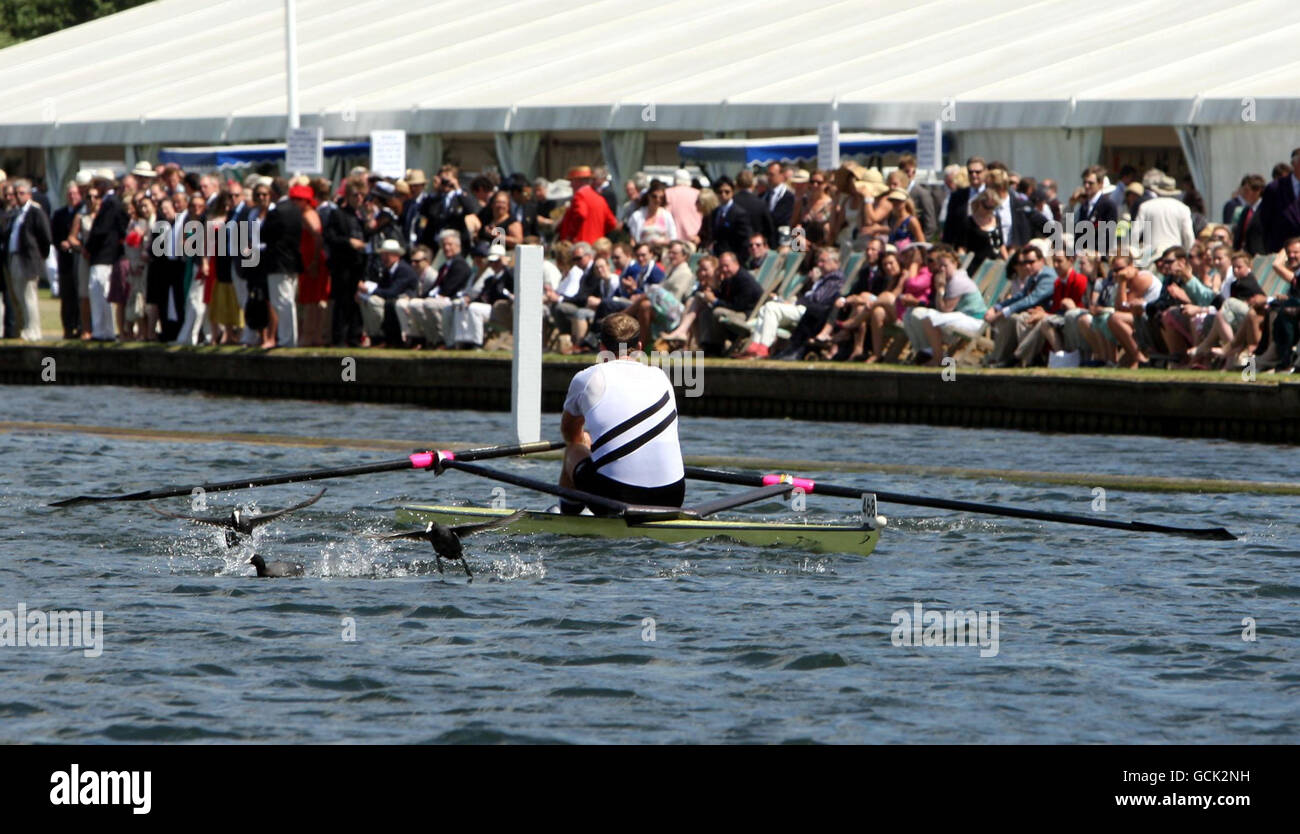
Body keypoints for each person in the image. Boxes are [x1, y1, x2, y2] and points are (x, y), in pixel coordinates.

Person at [559, 313, 686, 516]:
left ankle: (567, 516)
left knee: (574, 448)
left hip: (617, 498)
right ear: (641, 345)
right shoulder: (660, 376)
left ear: (601, 347)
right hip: (672, 496)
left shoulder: (587, 378)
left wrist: (588, 443)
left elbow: (569, 433)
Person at [905, 246, 988, 366]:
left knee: (929, 318)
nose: (942, 269)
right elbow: (941, 308)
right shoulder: (949, 279)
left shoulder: (957, 280)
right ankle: (925, 353)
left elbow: (945, 310)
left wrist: (940, 289)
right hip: (962, 317)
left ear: (955, 264)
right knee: (916, 315)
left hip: (975, 321)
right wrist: (940, 289)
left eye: (945, 266)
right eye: (940, 266)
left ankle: (938, 358)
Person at [4, 179, 52, 341]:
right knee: (19, 296)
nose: (18, 196)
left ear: (29, 194)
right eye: (16, 193)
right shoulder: (17, 212)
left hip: (29, 260)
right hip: (15, 257)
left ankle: (34, 330)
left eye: (22, 193)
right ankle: (26, 327)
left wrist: (39, 256)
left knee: (29, 296)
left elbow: (45, 237)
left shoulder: (35, 211)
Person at [261, 177, 304, 347]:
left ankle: (288, 339)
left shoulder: (276, 211)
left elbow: (264, 234)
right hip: (292, 260)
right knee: (288, 300)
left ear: (273, 192)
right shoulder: (295, 209)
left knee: (283, 301)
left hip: (278, 261)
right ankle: (288, 337)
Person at [358, 239, 418, 343]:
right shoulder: (388, 270)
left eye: (387, 255)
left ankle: (380, 336)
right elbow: (383, 288)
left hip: (402, 301)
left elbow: (392, 292)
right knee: (363, 299)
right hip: (391, 301)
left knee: (374, 301)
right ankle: (373, 335)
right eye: (383, 255)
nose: (384, 258)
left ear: (396, 255)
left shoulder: (403, 269)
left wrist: (369, 290)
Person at [558, 165, 618, 244]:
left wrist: (570, 235)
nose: (570, 185)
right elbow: (612, 223)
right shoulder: (600, 198)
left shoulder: (580, 195)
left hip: (580, 245)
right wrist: (599, 234)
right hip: (596, 245)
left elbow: (581, 214)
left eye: (572, 181)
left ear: (579, 181)